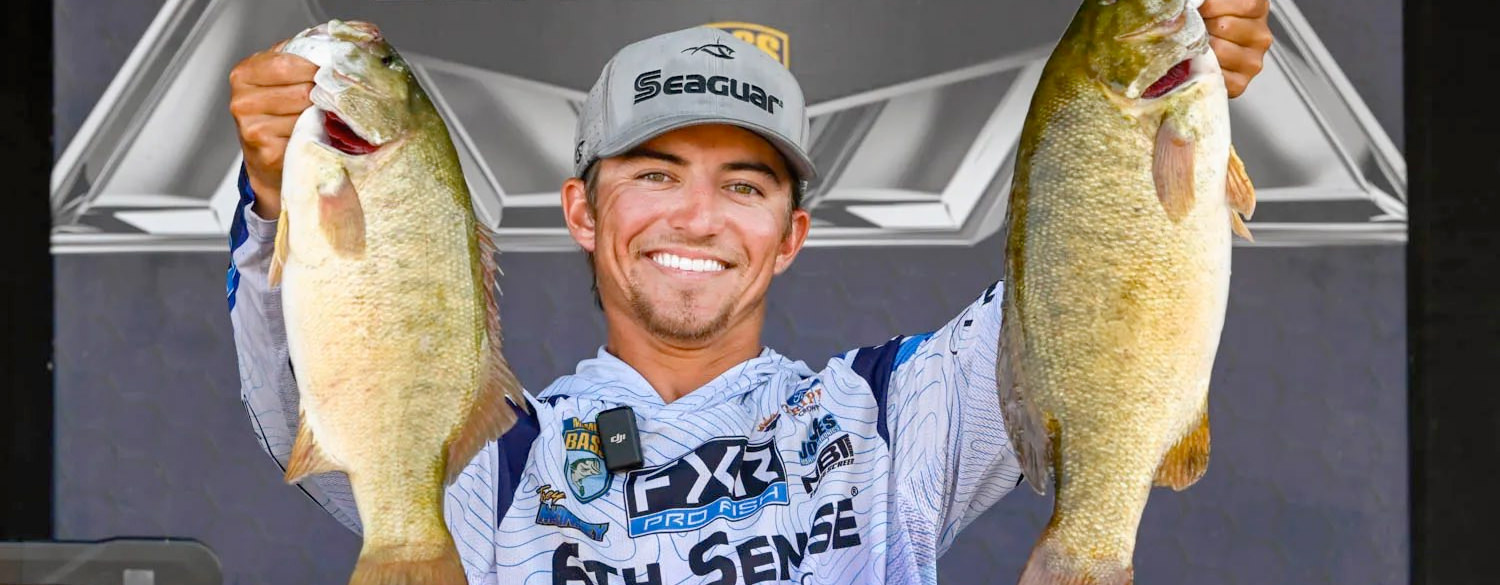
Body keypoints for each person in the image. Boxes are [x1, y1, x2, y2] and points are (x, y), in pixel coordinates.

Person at [225, 3, 1273, 583]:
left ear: (789, 236)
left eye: (744, 185)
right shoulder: (486, 461)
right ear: (583, 214)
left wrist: (1172, 102)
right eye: (653, 174)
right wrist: (281, 197)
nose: (698, 217)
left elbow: (1094, 287)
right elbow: (303, 401)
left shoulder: (892, 418)